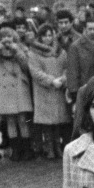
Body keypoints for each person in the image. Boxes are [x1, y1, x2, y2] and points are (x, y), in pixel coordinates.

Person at [0, 26, 35, 161]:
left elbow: (27, 66)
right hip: (4, 89)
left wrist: (16, 51)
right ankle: (16, 149)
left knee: (23, 119)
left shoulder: (22, 48)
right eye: (3, 38)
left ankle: (27, 149)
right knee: (10, 121)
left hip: (19, 87)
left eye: (9, 37)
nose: (6, 41)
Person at [29, 24, 72, 160]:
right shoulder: (34, 52)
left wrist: (63, 79)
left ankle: (57, 146)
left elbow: (66, 67)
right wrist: (51, 81)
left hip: (58, 88)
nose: (48, 38)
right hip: (44, 90)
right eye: (45, 35)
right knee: (47, 122)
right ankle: (49, 147)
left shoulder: (61, 51)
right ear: (40, 37)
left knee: (58, 121)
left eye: (50, 35)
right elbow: (35, 72)